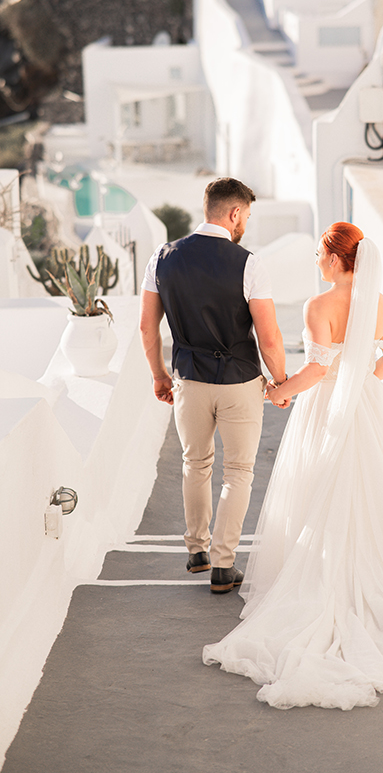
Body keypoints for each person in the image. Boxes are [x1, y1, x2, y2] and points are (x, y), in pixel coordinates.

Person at [203, 222, 383, 709]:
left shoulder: (318, 306)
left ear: (335, 260)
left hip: (327, 406)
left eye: (318, 253)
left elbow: (314, 370)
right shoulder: (382, 302)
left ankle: (326, 576)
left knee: (318, 487)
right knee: (370, 490)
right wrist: (360, 382)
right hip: (367, 407)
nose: (315, 259)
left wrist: (279, 392)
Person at [139, 177, 288, 594]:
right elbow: (270, 337)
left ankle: (196, 551)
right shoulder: (249, 263)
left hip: (188, 378)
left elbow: (147, 327)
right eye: (247, 217)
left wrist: (159, 375)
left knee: (195, 463)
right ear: (235, 213)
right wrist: (280, 380)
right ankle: (224, 565)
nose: (246, 225)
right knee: (238, 471)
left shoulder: (162, 257)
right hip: (240, 380)